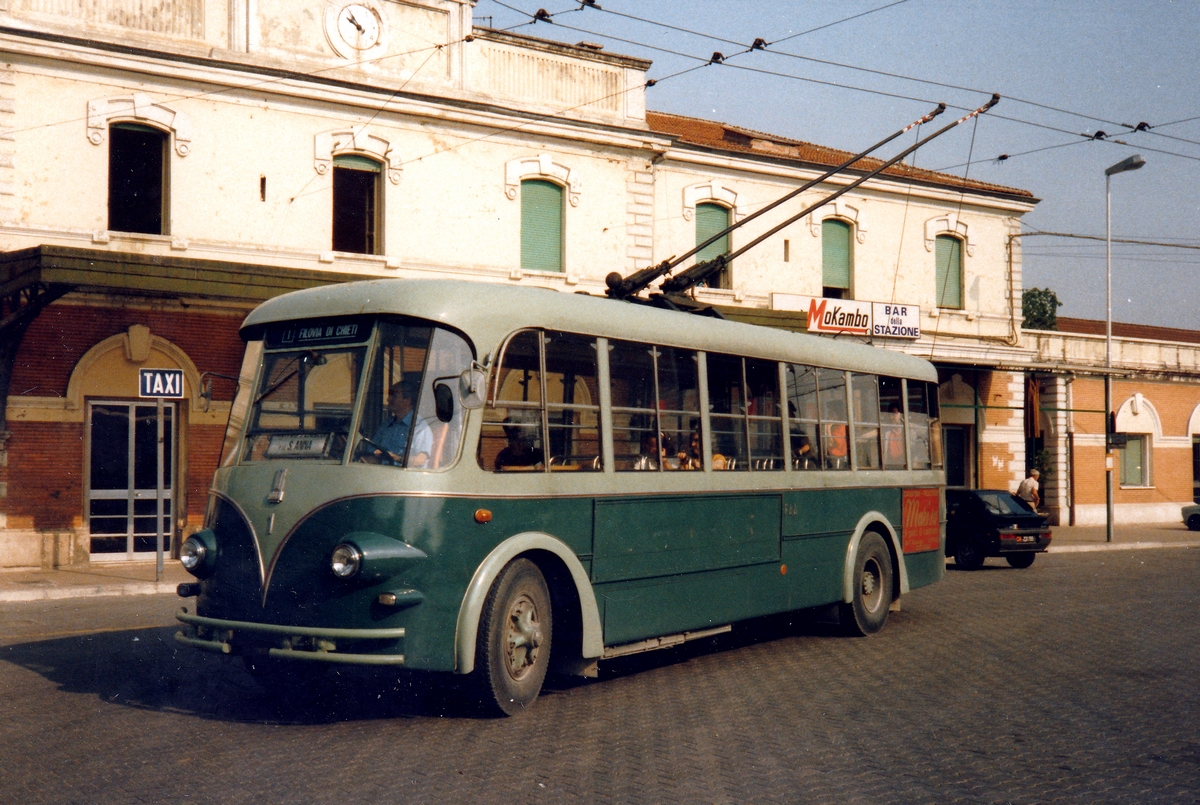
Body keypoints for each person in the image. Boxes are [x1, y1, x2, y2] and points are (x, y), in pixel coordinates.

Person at [368, 379, 432, 467]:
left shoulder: (419, 427)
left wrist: (396, 458)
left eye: (393, 396)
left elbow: (420, 460)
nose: (388, 399)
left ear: (407, 400)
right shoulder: (386, 425)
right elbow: (371, 450)